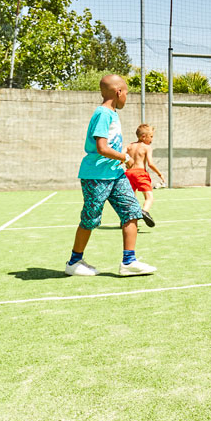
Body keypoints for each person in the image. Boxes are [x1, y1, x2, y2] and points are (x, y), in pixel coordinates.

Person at [65, 74, 156, 277]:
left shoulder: (113, 114)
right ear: (118, 92)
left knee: (132, 211)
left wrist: (120, 160)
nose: (126, 98)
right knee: (90, 218)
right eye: (126, 94)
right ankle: (74, 262)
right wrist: (125, 157)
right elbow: (101, 147)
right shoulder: (103, 114)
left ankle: (129, 262)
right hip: (96, 175)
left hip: (115, 174)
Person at [125, 123, 164, 226]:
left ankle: (128, 220)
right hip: (140, 173)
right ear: (143, 137)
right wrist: (160, 174)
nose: (152, 139)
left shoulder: (129, 146)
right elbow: (150, 164)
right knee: (149, 197)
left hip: (128, 174)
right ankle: (144, 211)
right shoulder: (147, 147)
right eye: (151, 136)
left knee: (132, 198)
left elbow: (121, 156)